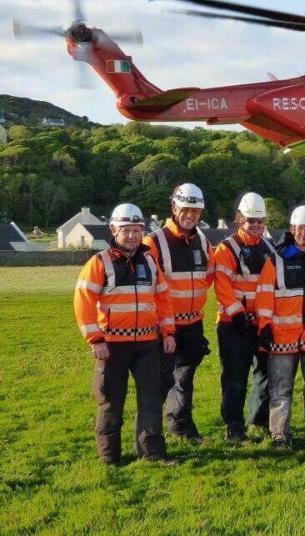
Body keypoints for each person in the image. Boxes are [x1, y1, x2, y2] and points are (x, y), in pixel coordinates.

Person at [74, 203, 176, 464]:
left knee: (152, 400)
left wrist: (168, 332)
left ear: (143, 230)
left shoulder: (150, 262)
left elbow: (163, 298)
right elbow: (83, 300)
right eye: (126, 230)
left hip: (146, 344)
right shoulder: (100, 262)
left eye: (136, 230)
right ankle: (110, 457)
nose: (132, 236)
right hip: (112, 346)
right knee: (110, 401)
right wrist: (95, 339)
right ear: (113, 230)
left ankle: (152, 453)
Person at [255, 205, 305, 451]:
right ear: (292, 229)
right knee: (280, 390)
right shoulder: (277, 260)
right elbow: (265, 293)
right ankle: (280, 435)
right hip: (281, 338)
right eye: (300, 228)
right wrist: (265, 326)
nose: (304, 233)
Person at [143, 183, 214, 442]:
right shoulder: (153, 242)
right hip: (165, 326)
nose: (190, 216)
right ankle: (150, 435)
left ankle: (181, 427)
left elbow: (208, 276)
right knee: (160, 382)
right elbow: (145, 287)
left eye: (196, 211)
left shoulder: (203, 241)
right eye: (186, 209)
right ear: (174, 208)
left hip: (193, 323)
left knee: (184, 379)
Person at [214, 192, 276, 443]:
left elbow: (271, 287)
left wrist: (266, 323)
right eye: (252, 221)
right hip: (233, 324)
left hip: (259, 323)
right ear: (239, 219)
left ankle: (259, 421)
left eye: (260, 221)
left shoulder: (269, 247)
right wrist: (237, 313)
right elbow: (222, 284)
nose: (256, 226)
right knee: (235, 378)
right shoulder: (227, 248)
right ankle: (234, 427)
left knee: (265, 375)